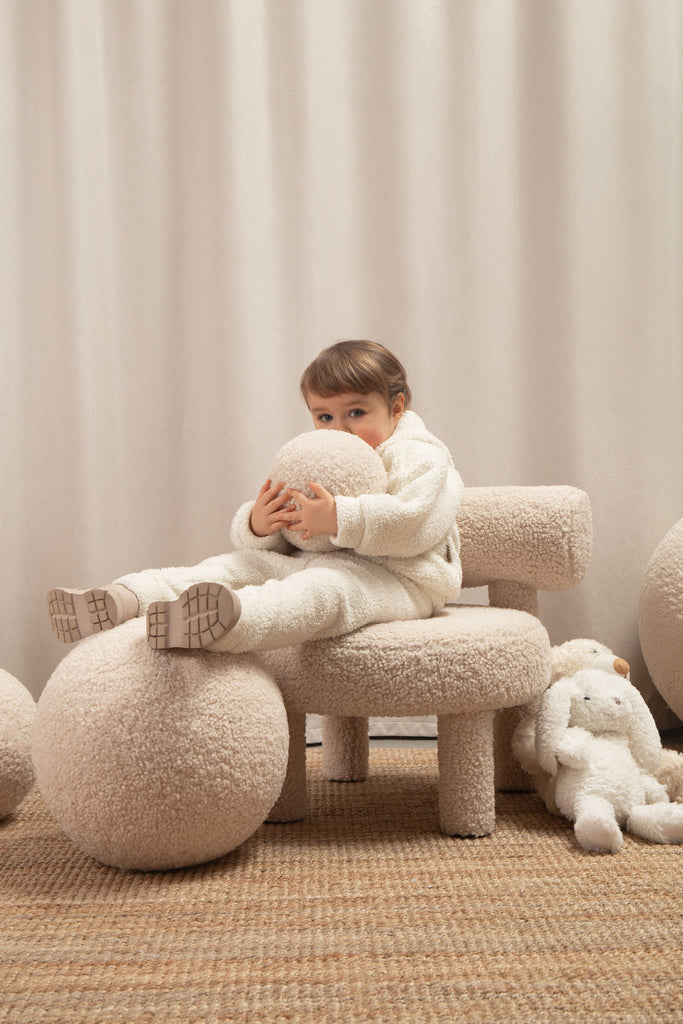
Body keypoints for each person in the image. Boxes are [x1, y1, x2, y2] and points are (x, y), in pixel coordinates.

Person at [47, 340, 465, 654]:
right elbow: (294, 531)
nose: (339, 428)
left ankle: (227, 621)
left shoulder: (420, 455)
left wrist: (340, 518)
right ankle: (125, 598)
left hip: (401, 579)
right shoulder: (321, 455)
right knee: (235, 565)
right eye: (324, 416)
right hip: (318, 559)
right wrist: (261, 525)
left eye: (356, 413)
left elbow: (415, 522)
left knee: (325, 593)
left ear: (396, 407)